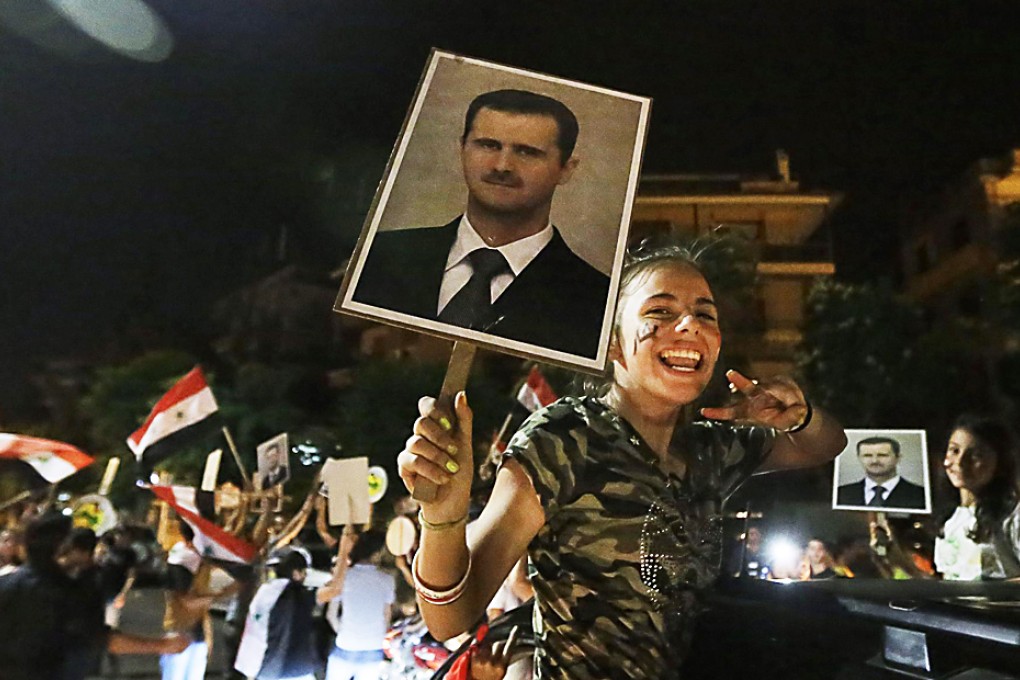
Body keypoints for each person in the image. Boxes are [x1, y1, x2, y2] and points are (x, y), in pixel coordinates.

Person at [397, 241, 847, 679]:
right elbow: (451, 618)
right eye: (660, 312)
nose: (689, 324)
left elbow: (825, 445)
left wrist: (798, 416)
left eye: (705, 313)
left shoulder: (710, 450)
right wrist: (442, 516)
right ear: (611, 344)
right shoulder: (565, 438)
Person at [353, 89, 610, 359]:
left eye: (527, 152)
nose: (502, 166)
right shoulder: (379, 255)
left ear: (566, 168)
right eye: (488, 145)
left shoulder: (597, 301)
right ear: (462, 148)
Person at [0, 513, 189, 680]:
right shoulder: (68, 593)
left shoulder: (6, 583)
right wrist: (164, 645)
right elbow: (102, 639)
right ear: (63, 547)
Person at [934, 414, 1020, 580]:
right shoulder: (950, 518)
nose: (960, 462)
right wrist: (896, 557)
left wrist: (995, 591)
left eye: (976, 455)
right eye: (954, 450)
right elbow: (944, 585)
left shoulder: (1011, 516)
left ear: (1000, 463)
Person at [161, 520, 241, 680]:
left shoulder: (198, 559)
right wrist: (223, 593)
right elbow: (187, 601)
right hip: (179, 634)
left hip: (197, 635)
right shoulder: (181, 560)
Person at [318, 528, 396, 680]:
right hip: (373, 647)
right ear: (377, 553)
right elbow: (386, 617)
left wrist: (342, 631)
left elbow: (331, 615)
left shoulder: (344, 578)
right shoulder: (387, 580)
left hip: (346, 644)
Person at [234, 550, 318, 680]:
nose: (305, 577)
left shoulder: (264, 593)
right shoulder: (294, 594)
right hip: (292, 670)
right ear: (296, 573)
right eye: (304, 573)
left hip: (264, 670)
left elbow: (254, 634)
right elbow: (334, 590)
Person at [836, 436, 926, 509]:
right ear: (859, 458)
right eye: (867, 456)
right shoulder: (841, 493)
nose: (875, 461)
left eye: (882, 455)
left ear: (898, 458)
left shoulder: (921, 495)